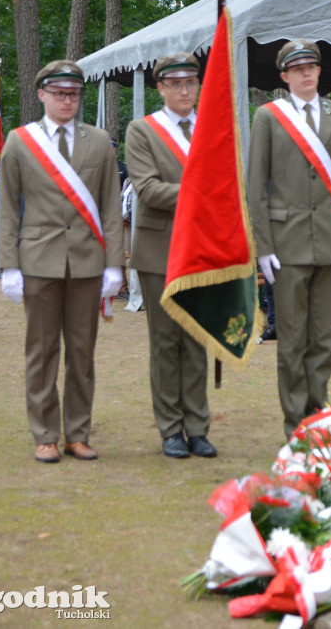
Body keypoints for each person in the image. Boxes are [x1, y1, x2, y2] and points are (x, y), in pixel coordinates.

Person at [0, 59, 123, 463]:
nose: (67, 100)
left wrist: (114, 264)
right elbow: (7, 209)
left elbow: (109, 206)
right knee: (42, 350)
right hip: (38, 261)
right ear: (41, 95)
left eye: (73, 94)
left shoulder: (100, 141)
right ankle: (45, 433)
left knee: (83, 352)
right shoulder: (19, 141)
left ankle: (78, 433)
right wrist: (9, 265)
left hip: (88, 262)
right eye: (59, 94)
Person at [247, 40, 331, 438]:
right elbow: (256, 186)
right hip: (287, 244)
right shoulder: (268, 117)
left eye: (311, 66)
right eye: (298, 69)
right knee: (292, 340)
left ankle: (318, 414)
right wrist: (265, 248)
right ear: (284, 76)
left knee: (324, 339)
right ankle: (296, 425)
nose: (306, 73)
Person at [125, 52, 216, 459]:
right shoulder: (142, 130)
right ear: (160, 87)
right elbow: (147, 189)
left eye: (190, 83)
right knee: (165, 341)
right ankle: (170, 429)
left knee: (197, 339)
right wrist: (203, 191)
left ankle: (197, 427)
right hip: (159, 249)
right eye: (174, 84)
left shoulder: (212, 127)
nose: (184, 90)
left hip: (204, 248)